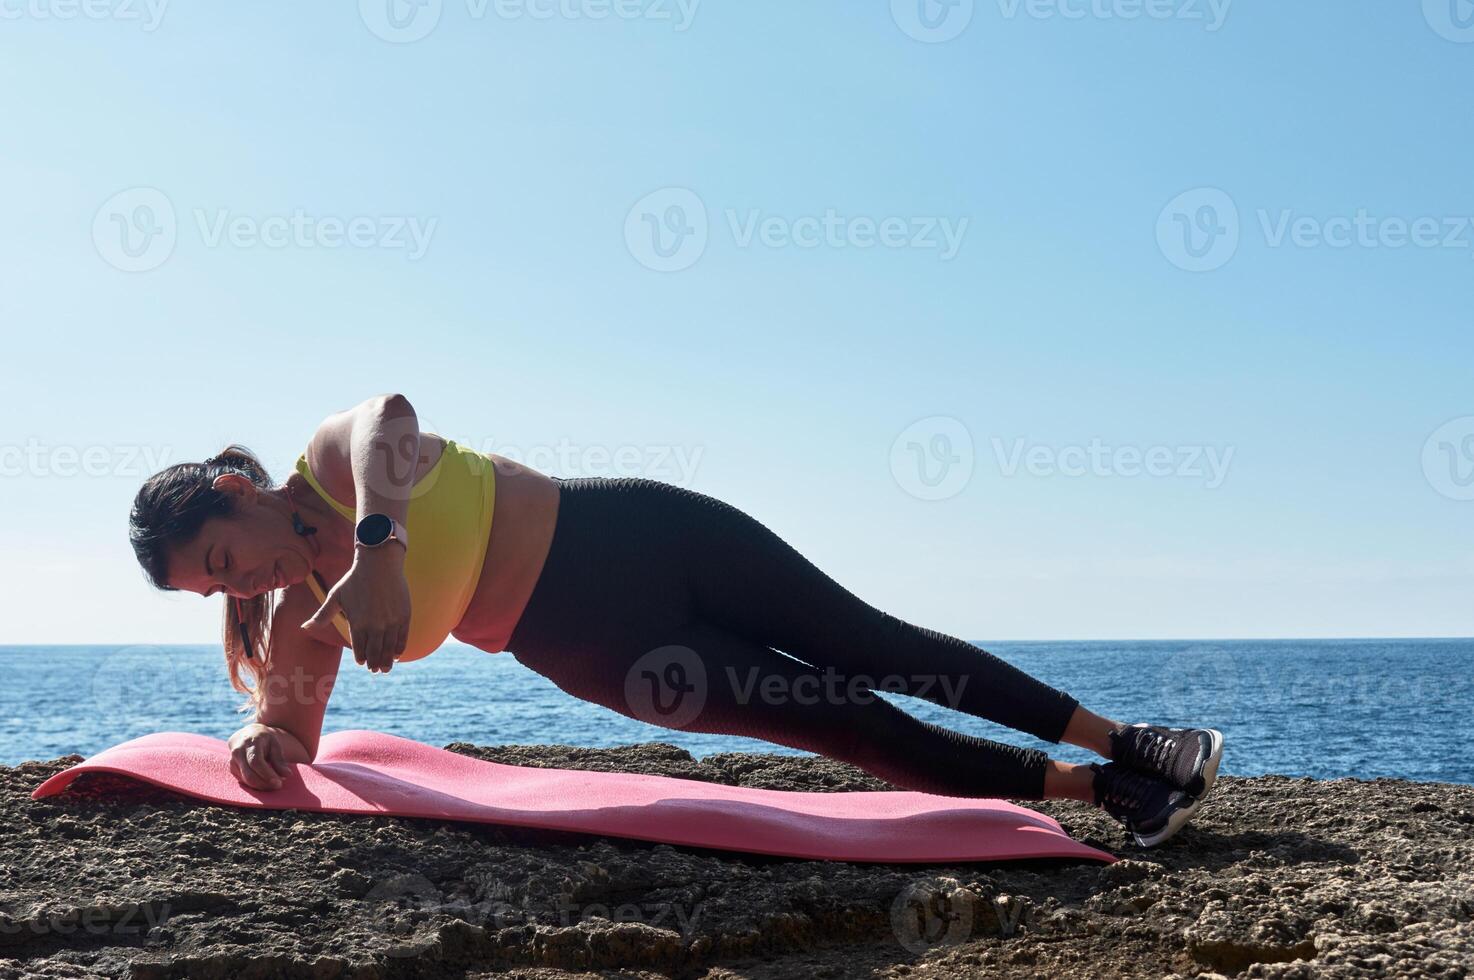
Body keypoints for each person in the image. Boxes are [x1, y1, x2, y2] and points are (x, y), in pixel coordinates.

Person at [129, 394, 1223, 847]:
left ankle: (1128, 738)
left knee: (874, 643)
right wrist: (257, 739)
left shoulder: (334, 459)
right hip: (598, 648)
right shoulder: (300, 628)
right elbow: (292, 738)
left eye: (225, 557)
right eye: (214, 590)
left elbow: (389, 417)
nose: (240, 583)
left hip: (637, 533)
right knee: (843, 725)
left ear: (237, 485)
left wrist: (377, 546)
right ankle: (1101, 790)